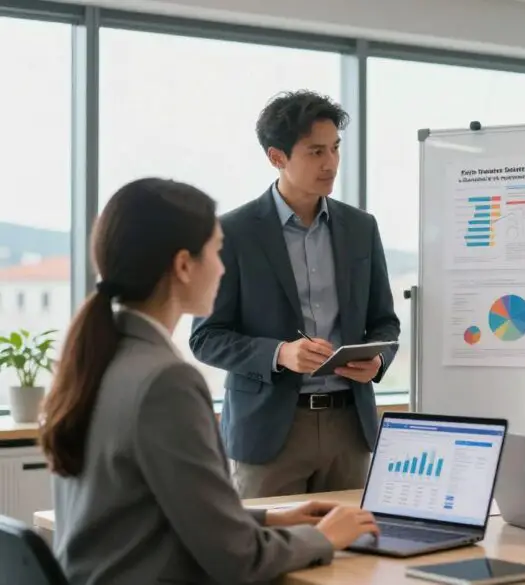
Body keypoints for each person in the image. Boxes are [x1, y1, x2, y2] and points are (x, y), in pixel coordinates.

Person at [39, 178, 379, 585]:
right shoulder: (166, 382)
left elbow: (156, 508)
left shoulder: (98, 358)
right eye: (217, 251)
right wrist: (322, 538)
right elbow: (238, 559)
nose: (223, 266)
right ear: (184, 266)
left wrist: (269, 517)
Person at [190, 90, 400, 498]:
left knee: (355, 553)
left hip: (350, 428)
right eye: (315, 151)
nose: (331, 163)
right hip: (270, 433)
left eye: (335, 149)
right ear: (277, 157)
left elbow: (384, 319)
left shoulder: (361, 228)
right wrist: (279, 354)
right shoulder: (233, 233)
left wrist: (377, 360)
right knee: (269, 554)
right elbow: (205, 337)